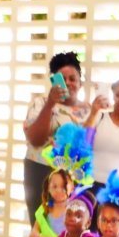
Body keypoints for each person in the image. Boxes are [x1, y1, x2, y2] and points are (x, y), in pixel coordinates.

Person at [22, 52, 91, 223]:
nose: (68, 83)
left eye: (72, 78)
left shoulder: (88, 111)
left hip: (73, 176)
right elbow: (35, 139)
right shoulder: (40, 103)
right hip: (40, 172)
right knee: (41, 225)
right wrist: (51, 104)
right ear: (54, 81)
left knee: (70, 228)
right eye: (62, 79)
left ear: (80, 83)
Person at [12, 169, 73, 237]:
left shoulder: (73, 210)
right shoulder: (45, 208)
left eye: (63, 187)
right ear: (48, 188)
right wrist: (35, 233)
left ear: (71, 187)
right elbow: (36, 227)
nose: (59, 190)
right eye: (54, 187)